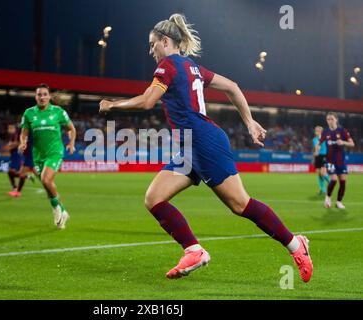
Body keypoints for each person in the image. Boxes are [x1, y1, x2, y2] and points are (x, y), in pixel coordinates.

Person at [99, 14, 313, 282]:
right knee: (154, 198)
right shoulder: (193, 67)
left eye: (153, 44)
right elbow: (232, 87)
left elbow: (147, 101)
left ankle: (295, 244)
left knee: (240, 204)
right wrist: (248, 122)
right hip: (190, 145)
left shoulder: (168, 65)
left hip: (203, 142)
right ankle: (194, 250)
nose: (150, 50)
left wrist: (112, 104)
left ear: (165, 41)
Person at [19, 84, 77, 229]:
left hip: (55, 153)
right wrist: (23, 142)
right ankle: (63, 211)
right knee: (48, 186)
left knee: (46, 179)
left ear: (49, 96)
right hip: (38, 156)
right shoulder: (29, 113)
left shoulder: (58, 112)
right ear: (36, 97)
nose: (42, 97)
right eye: (39, 94)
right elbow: (24, 132)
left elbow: (71, 128)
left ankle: (56, 210)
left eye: (45, 94)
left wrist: (71, 143)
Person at [314, 113, 355, 209]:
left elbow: (352, 143)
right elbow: (319, 143)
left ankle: (339, 202)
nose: (329, 121)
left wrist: (343, 142)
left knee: (343, 182)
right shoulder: (325, 132)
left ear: (336, 119)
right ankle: (328, 197)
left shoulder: (342, 131)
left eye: (331, 119)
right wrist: (317, 149)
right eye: (328, 119)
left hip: (341, 160)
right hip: (330, 160)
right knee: (333, 179)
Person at [312, 126, 330, 195]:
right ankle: (323, 190)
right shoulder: (314, 139)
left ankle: (331, 184)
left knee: (323, 172)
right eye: (316, 130)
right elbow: (316, 147)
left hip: (324, 156)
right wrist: (315, 155)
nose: (316, 132)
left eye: (318, 130)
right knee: (319, 173)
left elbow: (319, 147)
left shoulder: (325, 139)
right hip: (318, 157)